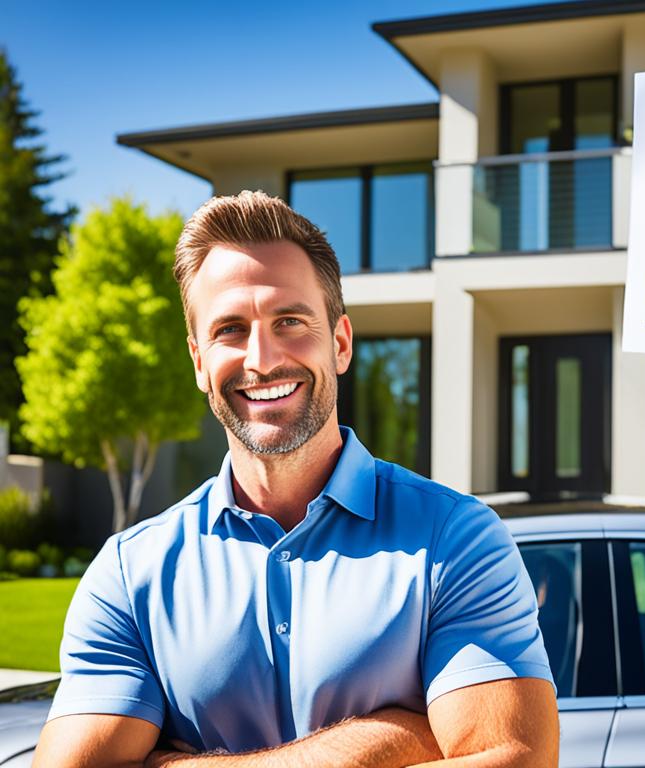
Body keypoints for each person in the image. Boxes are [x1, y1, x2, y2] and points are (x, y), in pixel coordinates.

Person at [33, 191, 558, 768]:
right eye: (230, 329)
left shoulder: (456, 540)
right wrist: (386, 741)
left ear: (339, 342)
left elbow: (518, 760)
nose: (261, 358)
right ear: (199, 362)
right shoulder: (131, 574)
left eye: (290, 321)